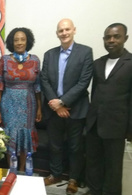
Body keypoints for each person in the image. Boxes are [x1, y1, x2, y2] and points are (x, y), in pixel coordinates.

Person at [40, 18, 93, 194]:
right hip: (53, 108)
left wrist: (63, 102)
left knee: (75, 146)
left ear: (74, 30)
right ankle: (55, 174)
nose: (64, 33)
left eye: (67, 29)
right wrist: (56, 104)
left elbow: (83, 82)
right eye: (61, 31)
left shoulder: (85, 52)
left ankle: (73, 178)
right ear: (57, 33)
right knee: (54, 145)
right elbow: (45, 80)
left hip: (75, 109)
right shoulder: (49, 54)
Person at [85, 23, 132, 195]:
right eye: (108, 37)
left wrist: (130, 130)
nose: (111, 40)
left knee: (113, 168)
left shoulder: (130, 62)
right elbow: (96, 92)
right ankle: (95, 191)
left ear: (125, 38)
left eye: (116, 36)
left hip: (116, 126)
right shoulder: (98, 63)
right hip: (94, 124)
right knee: (94, 164)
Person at [0, 27, 42, 172]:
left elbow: (38, 86)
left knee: (24, 137)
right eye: (16, 40)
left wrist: (39, 107)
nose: (19, 42)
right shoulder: (5, 60)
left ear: (28, 41)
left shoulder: (35, 60)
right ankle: (11, 171)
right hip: (8, 104)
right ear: (11, 42)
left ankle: (21, 171)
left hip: (28, 105)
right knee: (10, 136)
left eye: (22, 39)